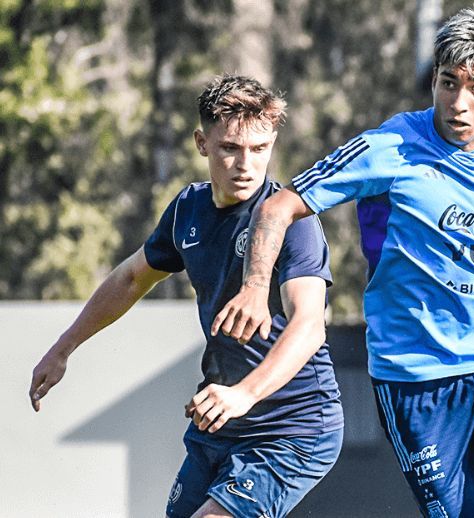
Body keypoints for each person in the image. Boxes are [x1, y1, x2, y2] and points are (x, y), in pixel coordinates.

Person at [213, 8, 474, 518]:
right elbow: (279, 205)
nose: (459, 103)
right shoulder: (390, 147)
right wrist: (254, 287)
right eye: (449, 83)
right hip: (415, 379)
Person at [28, 74, 343, 518]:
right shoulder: (187, 210)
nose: (246, 164)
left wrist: (244, 394)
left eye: (259, 149)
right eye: (230, 148)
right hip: (219, 422)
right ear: (201, 143)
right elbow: (131, 279)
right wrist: (64, 347)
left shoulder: (292, 220)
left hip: (292, 427)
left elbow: (309, 325)